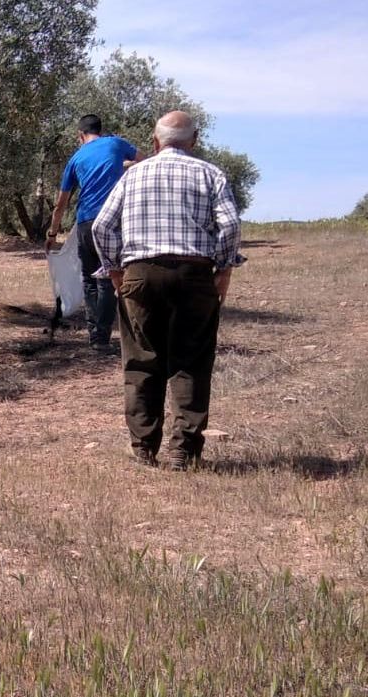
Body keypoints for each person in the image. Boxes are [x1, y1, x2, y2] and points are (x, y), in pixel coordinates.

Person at [90, 110, 242, 471]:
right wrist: (223, 267)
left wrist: (114, 269)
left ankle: (144, 447)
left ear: (155, 142)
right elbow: (231, 224)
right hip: (195, 273)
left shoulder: (133, 175)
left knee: (143, 359)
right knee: (190, 359)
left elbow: (101, 227)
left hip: (140, 274)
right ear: (194, 140)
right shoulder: (210, 173)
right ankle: (182, 451)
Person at [46, 114, 138, 350]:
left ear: (80, 135)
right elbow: (145, 161)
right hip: (111, 220)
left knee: (89, 278)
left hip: (85, 221)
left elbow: (61, 204)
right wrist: (123, 165)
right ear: (101, 130)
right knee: (108, 277)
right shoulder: (116, 144)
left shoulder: (76, 159)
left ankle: (94, 333)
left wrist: (52, 234)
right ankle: (102, 337)